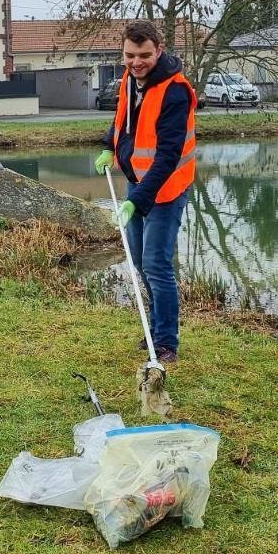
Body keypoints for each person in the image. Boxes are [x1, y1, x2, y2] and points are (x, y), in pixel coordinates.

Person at [95, 20, 197, 365]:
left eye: (144, 56)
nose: (136, 62)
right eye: (129, 55)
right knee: (138, 260)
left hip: (166, 190)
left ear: (159, 51)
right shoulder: (128, 80)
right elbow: (122, 119)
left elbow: (168, 156)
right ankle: (154, 330)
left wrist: (135, 201)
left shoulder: (175, 92)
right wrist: (110, 146)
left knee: (156, 264)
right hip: (136, 182)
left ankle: (167, 342)